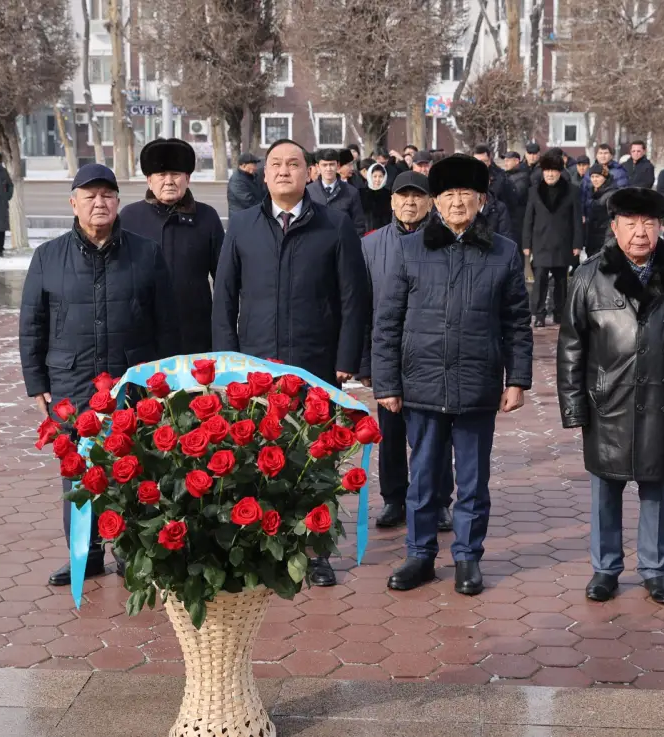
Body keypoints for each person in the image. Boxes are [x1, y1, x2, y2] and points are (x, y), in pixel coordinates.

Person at [212, 138, 370, 588]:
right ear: (263, 175)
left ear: (310, 174)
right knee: (255, 454)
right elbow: (224, 296)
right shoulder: (242, 225)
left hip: (314, 362)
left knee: (314, 459)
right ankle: (260, 544)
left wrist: (345, 358)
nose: (284, 171)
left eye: (294, 164)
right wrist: (228, 359)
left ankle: (317, 550)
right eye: (276, 164)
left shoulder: (334, 225)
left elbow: (353, 298)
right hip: (255, 364)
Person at [372, 154, 533, 595]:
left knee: (473, 482)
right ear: (435, 202)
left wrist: (517, 379)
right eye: (448, 194)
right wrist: (386, 383)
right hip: (420, 384)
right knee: (421, 480)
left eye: (466, 193)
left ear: (481, 199)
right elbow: (387, 322)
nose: (457, 202)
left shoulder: (502, 253)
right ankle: (420, 555)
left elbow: (517, 322)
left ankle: (467, 558)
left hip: (478, 384)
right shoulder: (410, 250)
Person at [558, 187, 664, 606]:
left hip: (660, 403)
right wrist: (574, 406)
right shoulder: (590, 276)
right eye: (630, 223)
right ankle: (605, 568)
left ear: (660, 227)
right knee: (605, 492)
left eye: (648, 223)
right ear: (614, 227)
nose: (640, 233)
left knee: (655, 490)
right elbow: (571, 348)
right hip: (605, 404)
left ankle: (654, 570)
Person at [19, 163, 178, 586]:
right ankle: (84, 555)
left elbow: (166, 323)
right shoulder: (48, 256)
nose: (99, 202)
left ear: (118, 202)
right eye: (89, 196)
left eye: (107, 194)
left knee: (133, 466)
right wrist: (36, 382)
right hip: (71, 384)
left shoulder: (146, 252)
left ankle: (131, 552)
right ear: (74, 203)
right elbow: (32, 323)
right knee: (78, 471)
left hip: (130, 382)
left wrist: (163, 383)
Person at [360, 172, 454, 532]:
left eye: (418, 196)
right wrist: (365, 362)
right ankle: (394, 498)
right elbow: (362, 306)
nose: (410, 203)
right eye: (403, 196)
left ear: (430, 202)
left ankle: (439, 499)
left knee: (435, 434)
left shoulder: (444, 242)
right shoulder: (371, 246)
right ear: (391, 201)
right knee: (391, 430)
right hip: (389, 354)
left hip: (432, 354)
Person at [120, 138, 224, 356]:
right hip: (141, 334)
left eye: (175, 174)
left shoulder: (207, 217)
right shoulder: (129, 217)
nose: (169, 181)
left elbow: (223, 279)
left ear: (187, 178)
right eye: (161, 175)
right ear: (149, 180)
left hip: (194, 332)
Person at [523, 152, 583, 328]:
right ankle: (539, 314)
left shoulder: (572, 191)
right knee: (540, 279)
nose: (549, 174)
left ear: (560, 172)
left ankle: (559, 313)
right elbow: (528, 218)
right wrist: (526, 243)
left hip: (563, 243)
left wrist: (577, 244)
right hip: (540, 242)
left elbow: (576, 220)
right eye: (546, 170)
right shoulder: (534, 191)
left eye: (553, 171)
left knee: (561, 281)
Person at [309, 148, 367, 236]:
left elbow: (358, 225)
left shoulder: (351, 192)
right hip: (316, 244)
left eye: (332, 164)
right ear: (318, 167)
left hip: (343, 244)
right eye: (324, 165)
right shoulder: (309, 191)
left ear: (338, 165)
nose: (328, 169)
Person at [473, 144, 518, 220]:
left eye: (483, 161)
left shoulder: (502, 179)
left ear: (489, 161)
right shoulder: (465, 178)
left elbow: (511, 204)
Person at [584, 163, 615, 258]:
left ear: (605, 177)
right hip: (593, 240)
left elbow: (612, 220)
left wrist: (608, 243)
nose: (594, 179)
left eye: (597, 176)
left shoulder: (611, 194)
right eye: (592, 176)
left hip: (604, 241)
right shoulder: (593, 192)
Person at [503, 150, 531, 246]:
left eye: (508, 160)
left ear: (516, 161)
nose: (505, 163)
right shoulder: (507, 175)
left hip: (518, 220)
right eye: (505, 160)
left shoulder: (523, 177)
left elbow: (516, 195)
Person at [359, 163, 393, 233]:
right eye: (375, 176)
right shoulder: (361, 193)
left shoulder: (388, 194)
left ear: (384, 177)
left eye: (380, 176)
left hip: (384, 231)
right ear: (370, 176)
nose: (377, 179)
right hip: (366, 232)